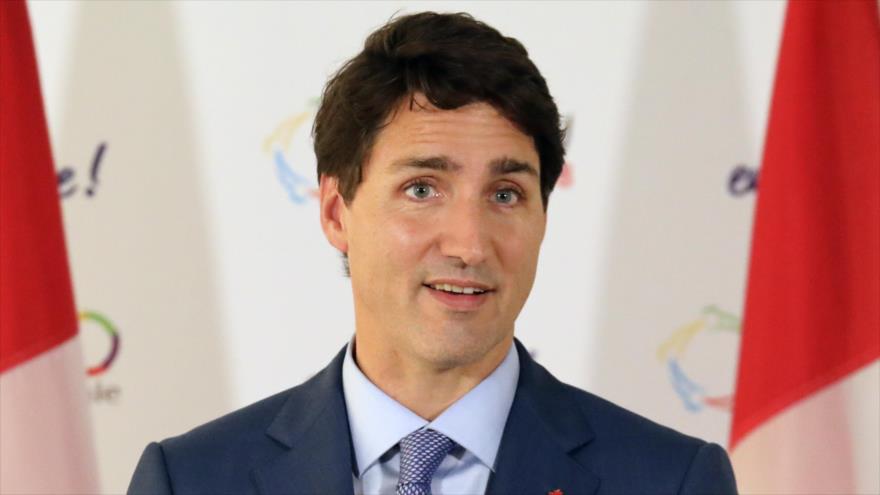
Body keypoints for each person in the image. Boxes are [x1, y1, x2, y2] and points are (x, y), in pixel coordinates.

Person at [129, 11, 737, 495]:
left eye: (505, 193)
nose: (470, 244)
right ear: (337, 213)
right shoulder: (192, 480)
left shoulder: (671, 480)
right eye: (422, 189)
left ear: (543, 218)